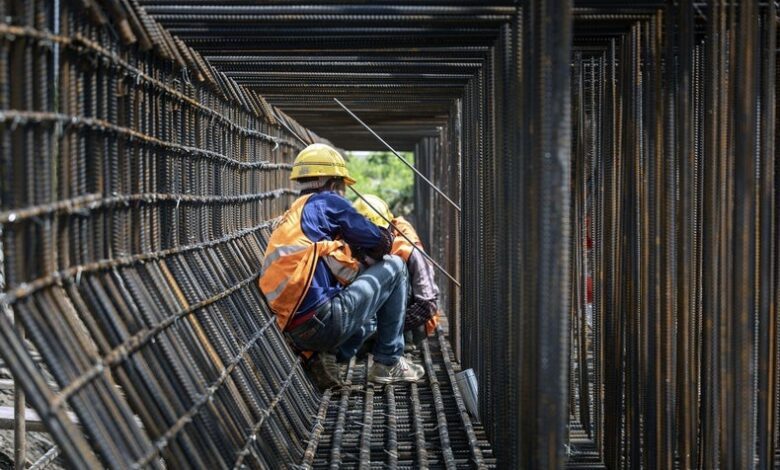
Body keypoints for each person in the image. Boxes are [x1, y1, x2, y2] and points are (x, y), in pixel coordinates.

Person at [259, 143, 425, 389]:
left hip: (297, 334)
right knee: (396, 266)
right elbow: (375, 239)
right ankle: (388, 361)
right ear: (333, 181)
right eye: (342, 185)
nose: (343, 191)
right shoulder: (327, 202)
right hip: (325, 324)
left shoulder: (295, 215)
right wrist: (378, 243)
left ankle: (330, 356)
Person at [353, 194, 440, 347]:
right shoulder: (352, 245)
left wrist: (387, 329)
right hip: (371, 322)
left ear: (389, 228)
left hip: (413, 324)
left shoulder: (407, 249)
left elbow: (427, 305)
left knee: (396, 269)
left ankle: (398, 340)